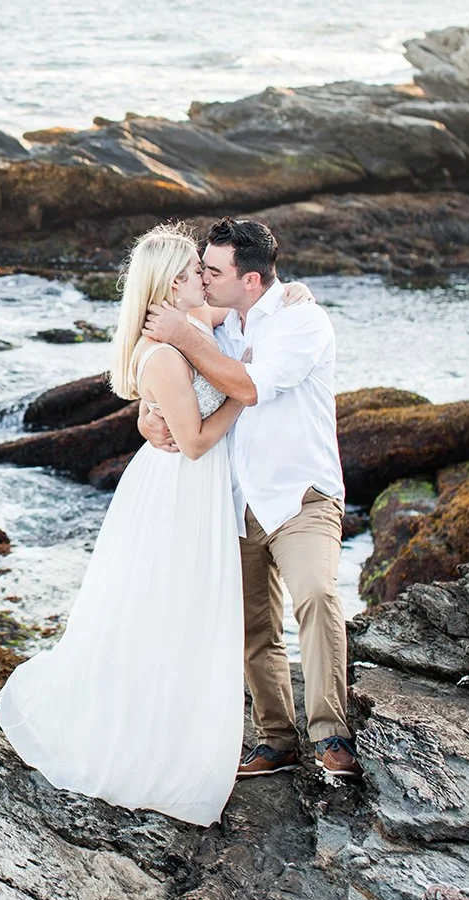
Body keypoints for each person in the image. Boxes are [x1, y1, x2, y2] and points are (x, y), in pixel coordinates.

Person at [0, 224, 246, 824]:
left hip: (193, 492)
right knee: (162, 613)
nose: (203, 281)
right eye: (192, 274)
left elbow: (226, 313)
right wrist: (245, 395)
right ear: (168, 286)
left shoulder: (188, 327)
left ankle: (175, 736)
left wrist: (291, 297)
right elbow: (192, 443)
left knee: (182, 615)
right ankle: (149, 751)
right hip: (179, 490)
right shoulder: (161, 355)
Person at [139, 217, 358, 780]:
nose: (203, 278)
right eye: (202, 269)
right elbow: (156, 366)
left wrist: (184, 336)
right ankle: (276, 739)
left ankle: (332, 734)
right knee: (251, 625)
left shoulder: (301, 321)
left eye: (213, 270)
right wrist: (146, 415)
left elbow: (251, 386)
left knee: (315, 594)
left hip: (299, 496)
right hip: (233, 500)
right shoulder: (219, 317)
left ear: (252, 280)